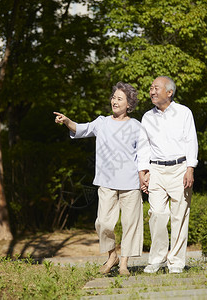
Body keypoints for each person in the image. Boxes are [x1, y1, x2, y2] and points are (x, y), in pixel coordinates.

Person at [54, 82, 143, 276]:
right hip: (106, 181)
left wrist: (144, 175)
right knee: (102, 222)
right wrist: (67, 121)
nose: (114, 101)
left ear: (129, 104)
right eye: (113, 97)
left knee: (130, 224)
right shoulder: (102, 122)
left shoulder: (136, 126)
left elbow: (144, 153)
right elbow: (81, 129)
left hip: (130, 182)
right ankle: (112, 255)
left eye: (120, 98)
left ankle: (124, 264)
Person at [137, 76, 198, 274]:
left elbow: (191, 141)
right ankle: (156, 259)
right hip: (156, 170)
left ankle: (176, 262)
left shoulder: (184, 113)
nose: (152, 91)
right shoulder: (147, 117)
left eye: (156, 88)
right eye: (151, 88)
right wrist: (142, 171)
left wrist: (190, 168)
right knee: (157, 214)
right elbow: (143, 146)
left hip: (180, 169)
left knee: (180, 216)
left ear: (169, 92)